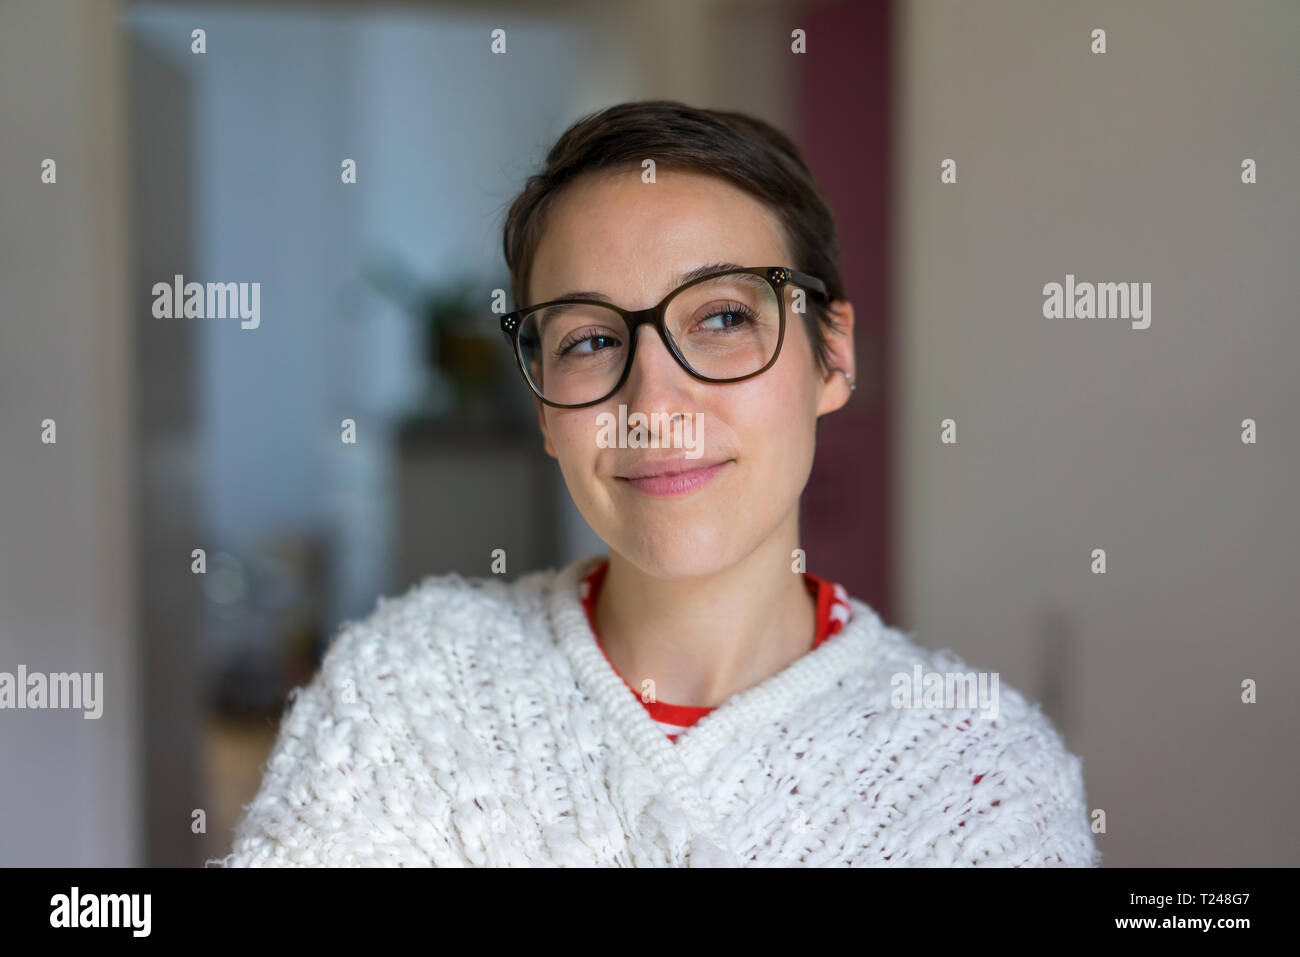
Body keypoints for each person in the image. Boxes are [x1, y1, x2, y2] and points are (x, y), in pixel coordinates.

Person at [213, 100, 1100, 867]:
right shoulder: (404, 694)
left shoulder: (982, 769)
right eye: (590, 340)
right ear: (544, 407)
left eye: (721, 317)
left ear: (833, 355)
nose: (655, 402)